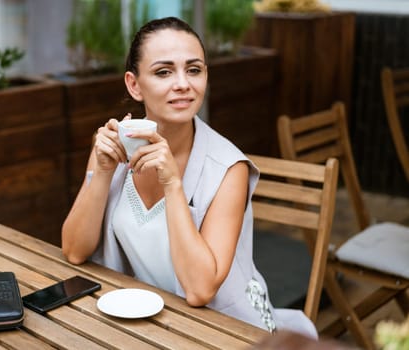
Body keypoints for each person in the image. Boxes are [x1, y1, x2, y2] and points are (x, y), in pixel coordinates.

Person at [62, 16, 317, 338]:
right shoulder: (114, 145)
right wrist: (101, 172)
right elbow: (73, 250)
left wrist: (173, 185)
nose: (183, 83)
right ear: (134, 85)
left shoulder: (229, 168)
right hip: (145, 320)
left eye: (194, 69)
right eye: (163, 71)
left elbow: (200, 291)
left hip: (227, 328)